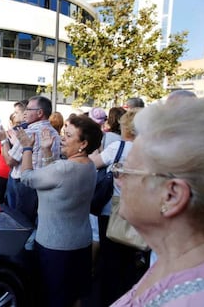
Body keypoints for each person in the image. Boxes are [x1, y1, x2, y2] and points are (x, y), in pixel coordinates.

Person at [111, 98, 204, 306]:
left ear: (171, 196)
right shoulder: (172, 259)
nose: (118, 178)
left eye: (125, 170)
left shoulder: (193, 299)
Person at [16, 114, 103, 307]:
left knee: (53, 298)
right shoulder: (89, 165)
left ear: (83, 144)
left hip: (56, 246)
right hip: (80, 242)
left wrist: (27, 148)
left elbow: (27, 177)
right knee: (75, 295)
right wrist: (47, 151)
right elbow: (55, 181)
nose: (62, 138)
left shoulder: (64, 168)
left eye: (69, 135)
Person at [89, 108, 143, 306]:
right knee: (130, 260)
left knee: (110, 261)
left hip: (112, 211)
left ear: (125, 127)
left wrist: (95, 153)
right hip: (140, 211)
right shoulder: (150, 151)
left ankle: (110, 300)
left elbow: (92, 164)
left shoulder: (118, 148)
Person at [0, 96, 60, 225]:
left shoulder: (30, 132)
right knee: (35, 222)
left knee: (19, 223)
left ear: (40, 113)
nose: (25, 113)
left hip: (24, 184)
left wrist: (3, 140)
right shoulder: (55, 133)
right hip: (45, 184)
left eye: (29, 109)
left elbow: (10, 161)